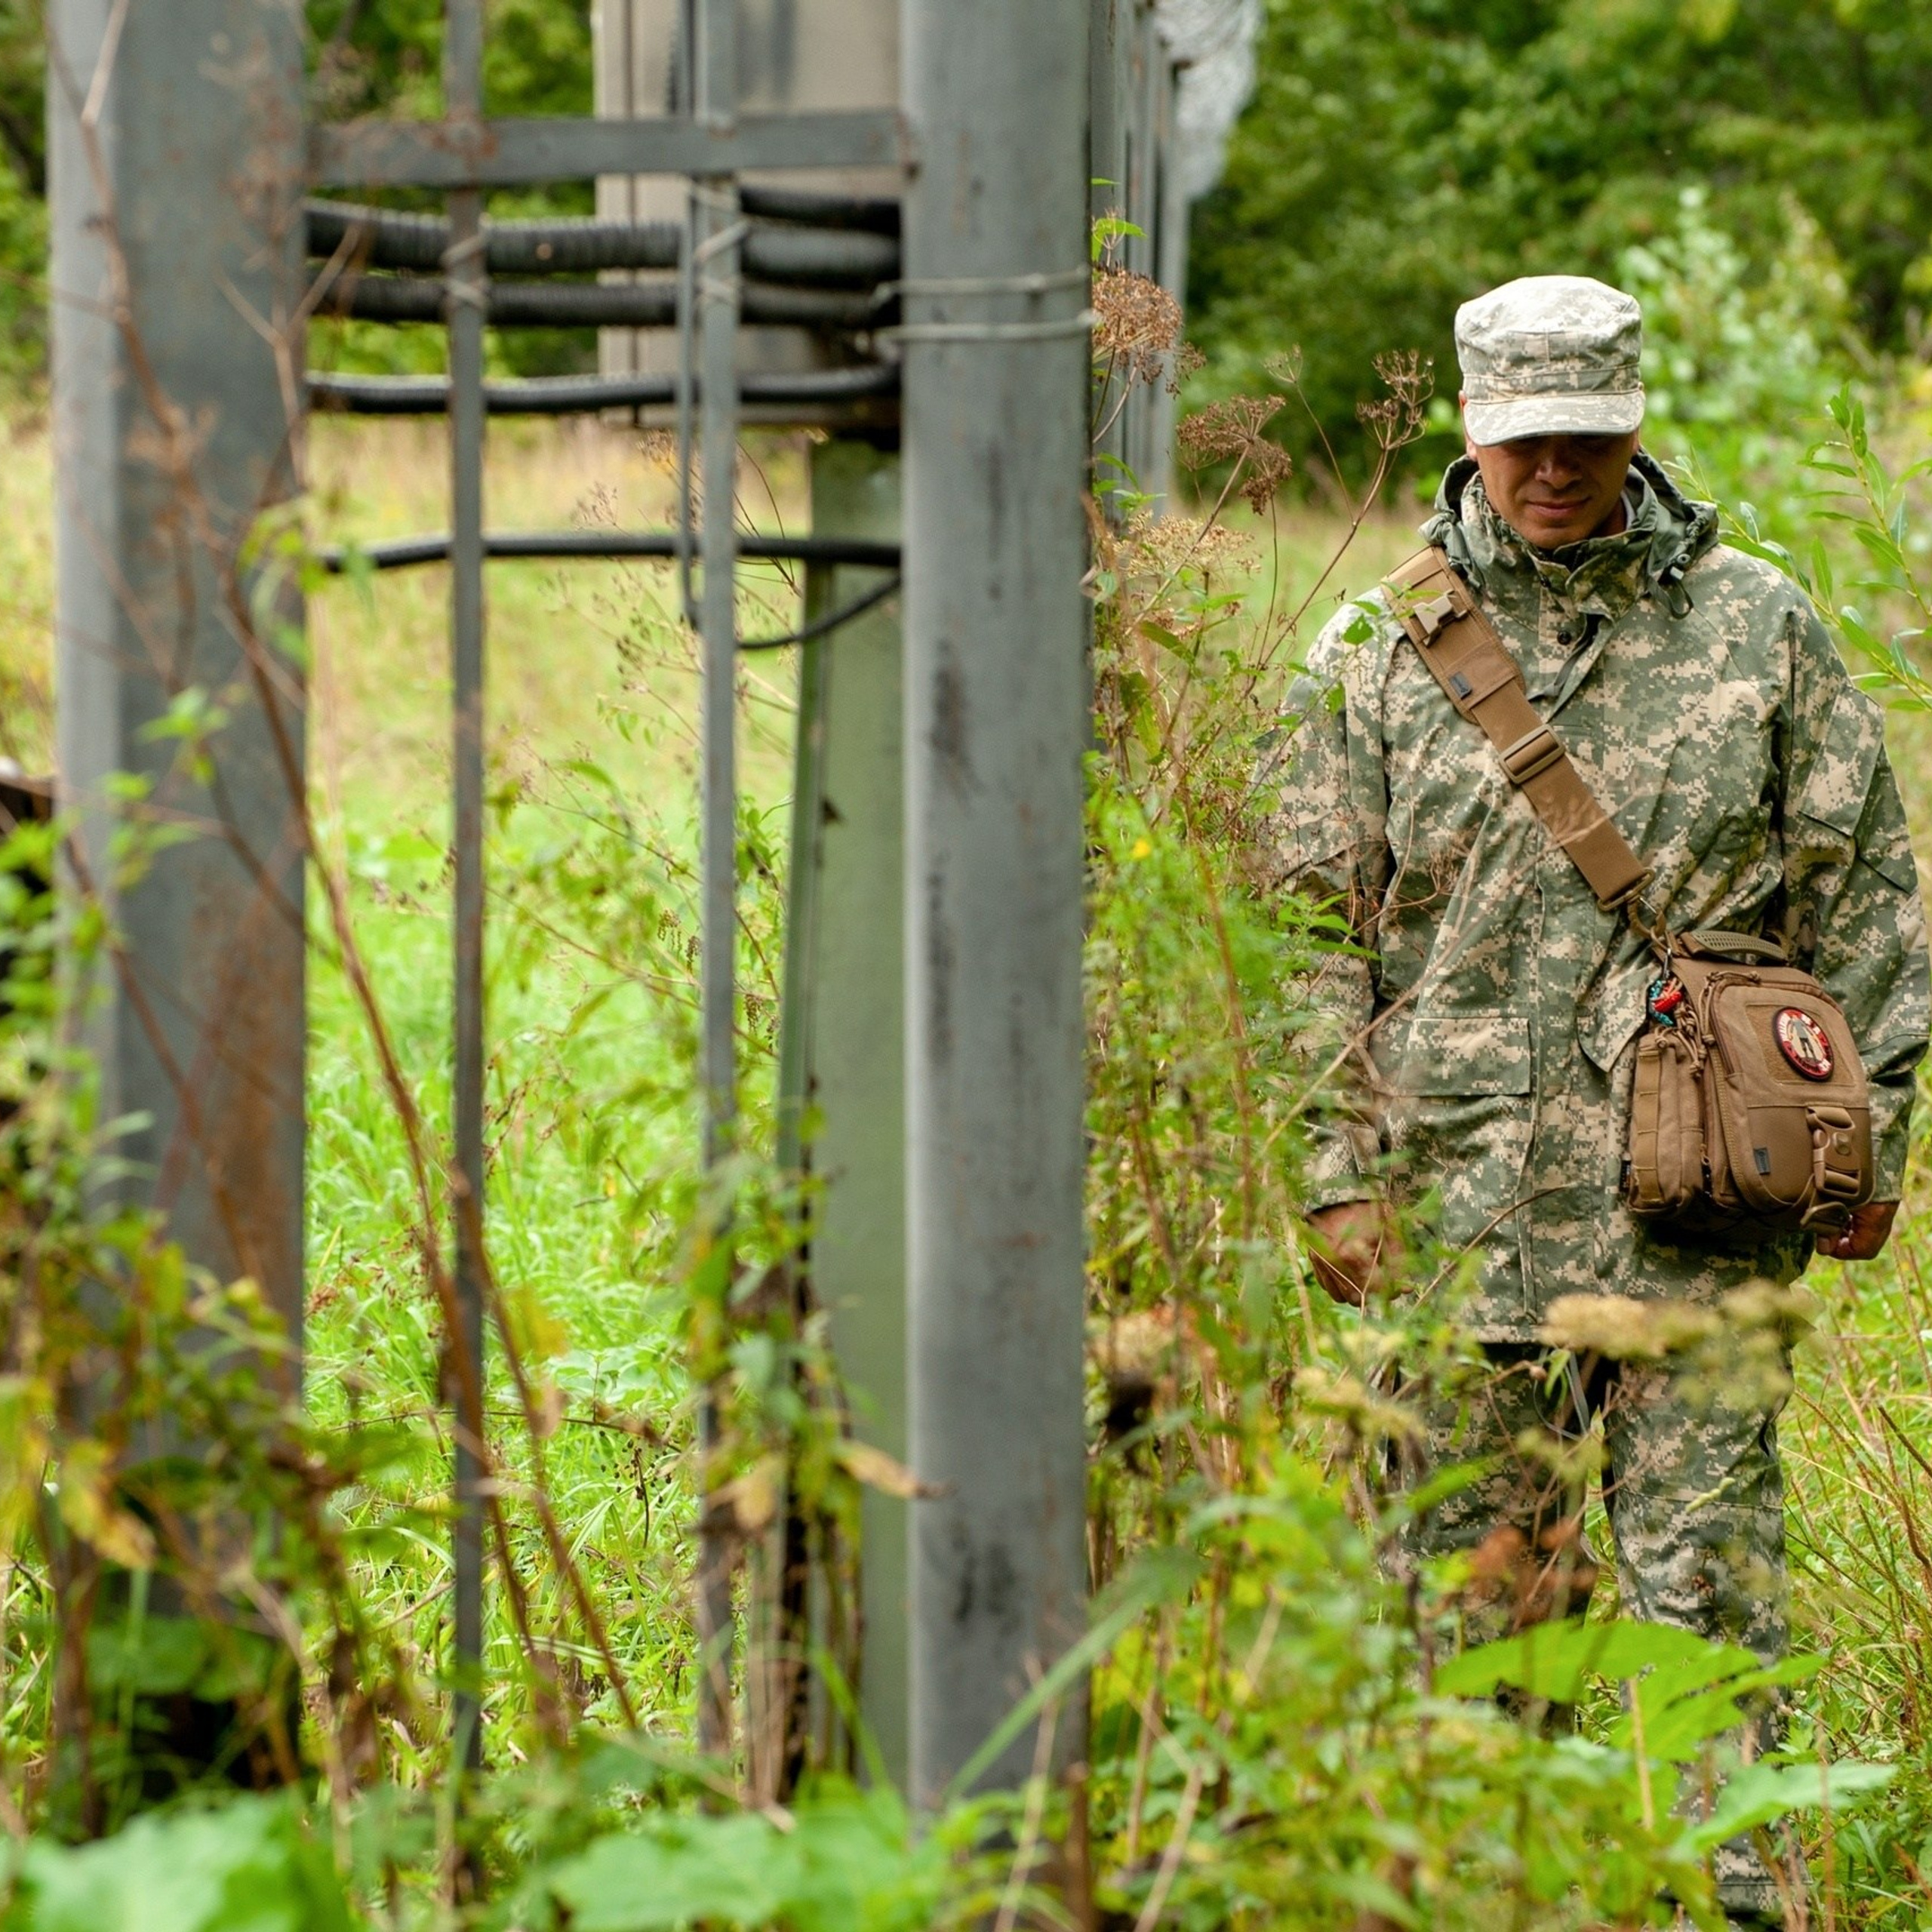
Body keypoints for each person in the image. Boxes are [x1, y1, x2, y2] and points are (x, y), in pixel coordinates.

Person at [1271, 275, 1931, 1927]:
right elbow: (1301, 932)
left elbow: (1875, 913)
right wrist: (1328, 1170)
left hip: (1698, 1241)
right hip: (1452, 1238)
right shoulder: (1371, 650)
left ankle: (1737, 1907)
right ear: (1469, 431)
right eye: (1518, 439)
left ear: (1631, 421)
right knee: (1461, 1638)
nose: (1549, 468)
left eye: (1580, 434)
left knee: (1707, 1629)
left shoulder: (1758, 626)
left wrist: (1868, 1152)